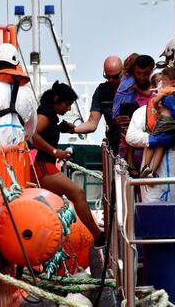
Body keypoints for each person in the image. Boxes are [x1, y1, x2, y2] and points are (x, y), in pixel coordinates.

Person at [31, 81, 105, 248]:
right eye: (67, 104)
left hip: (46, 165)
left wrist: (62, 128)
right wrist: (55, 152)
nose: (69, 108)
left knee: (60, 204)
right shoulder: (46, 113)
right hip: (42, 166)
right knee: (77, 193)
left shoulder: (51, 115)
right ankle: (98, 236)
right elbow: (33, 135)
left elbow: (46, 130)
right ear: (56, 99)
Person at [140, 67, 175, 178]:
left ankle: (146, 166)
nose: (162, 82)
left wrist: (155, 107)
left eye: (164, 80)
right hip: (174, 123)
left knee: (152, 144)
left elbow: (155, 101)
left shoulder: (168, 89)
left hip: (163, 121)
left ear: (173, 82)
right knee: (161, 147)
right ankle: (153, 172)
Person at [114, 55, 155, 175]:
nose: (142, 77)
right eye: (138, 73)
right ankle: (131, 163)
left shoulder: (156, 83)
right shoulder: (128, 86)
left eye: (145, 74)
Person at [74, 56, 123, 154]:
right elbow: (92, 123)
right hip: (115, 144)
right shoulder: (101, 91)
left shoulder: (133, 88)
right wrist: (73, 129)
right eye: (107, 77)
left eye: (115, 76)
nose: (111, 80)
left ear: (123, 72)